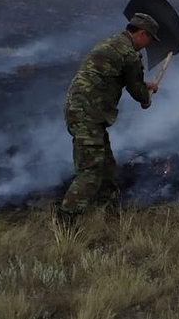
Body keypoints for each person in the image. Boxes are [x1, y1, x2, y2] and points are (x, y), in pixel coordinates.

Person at [57, 13, 160, 222]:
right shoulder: (130, 55)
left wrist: (144, 86)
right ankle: (65, 220)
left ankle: (110, 216)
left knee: (106, 167)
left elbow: (121, 77)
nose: (147, 45)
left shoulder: (110, 42)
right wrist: (146, 97)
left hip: (80, 110)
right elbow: (138, 93)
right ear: (142, 33)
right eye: (149, 39)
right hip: (89, 115)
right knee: (90, 172)